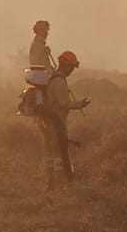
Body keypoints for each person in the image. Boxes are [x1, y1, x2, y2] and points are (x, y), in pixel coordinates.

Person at [38, 51, 89, 189]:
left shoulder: (51, 78)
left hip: (46, 120)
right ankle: (60, 184)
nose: (72, 70)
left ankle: (50, 181)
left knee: (49, 151)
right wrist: (79, 104)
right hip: (56, 122)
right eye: (72, 67)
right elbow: (64, 103)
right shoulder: (59, 81)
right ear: (66, 66)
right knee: (58, 152)